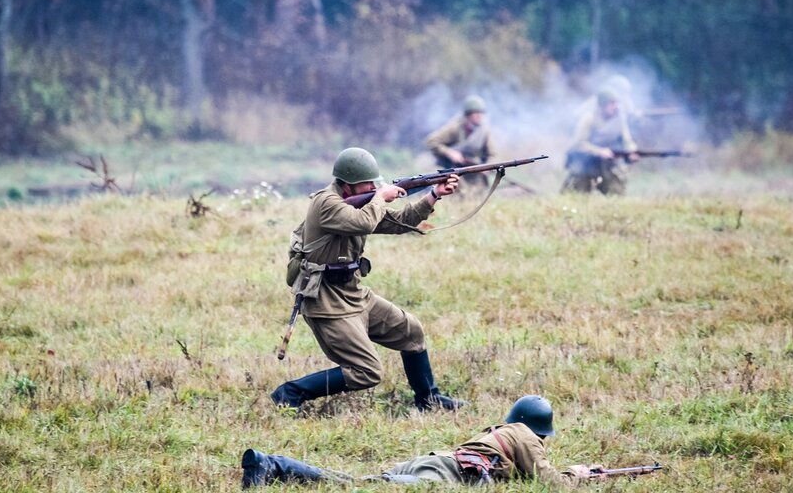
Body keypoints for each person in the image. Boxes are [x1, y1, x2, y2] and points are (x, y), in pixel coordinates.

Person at [272, 147, 465, 413]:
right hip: (326, 301)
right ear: (348, 185)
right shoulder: (325, 203)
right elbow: (362, 223)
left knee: (411, 332)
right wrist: (380, 197)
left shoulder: (363, 203)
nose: (374, 187)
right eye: (369, 184)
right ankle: (289, 393)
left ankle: (428, 400)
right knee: (366, 371)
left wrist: (433, 195)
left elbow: (399, 222)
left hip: (353, 292)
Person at [241, 395, 607, 489]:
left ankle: (273, 468)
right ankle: (272, 464)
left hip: (432, 462)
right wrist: (578, 474)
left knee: (362, 484)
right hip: (444, 473)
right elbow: (549, 483)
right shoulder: (527, 436)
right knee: (355, 485)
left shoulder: (501, 431)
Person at [561, 88, 640, 195]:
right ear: (602, 105)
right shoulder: (589, 119)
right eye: (611, 103)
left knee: (617, 193)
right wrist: (599, 151)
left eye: (616, 103)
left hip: (607, 163)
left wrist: (632, 151)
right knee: (576, 193)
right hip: (585, 163)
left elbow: (627, 141)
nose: (615, 106)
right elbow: (578, 144)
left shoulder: (619, 119)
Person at [425, 95, 496, 187]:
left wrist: (487, 167)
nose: (479, 116)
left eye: (481, 112)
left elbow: (492, 154)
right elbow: (432, 141)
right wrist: (450, 153)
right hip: (455, 172)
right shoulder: (455, 127)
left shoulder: (484, 131)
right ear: (468, 114)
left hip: (476, 173)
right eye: (476, 112)